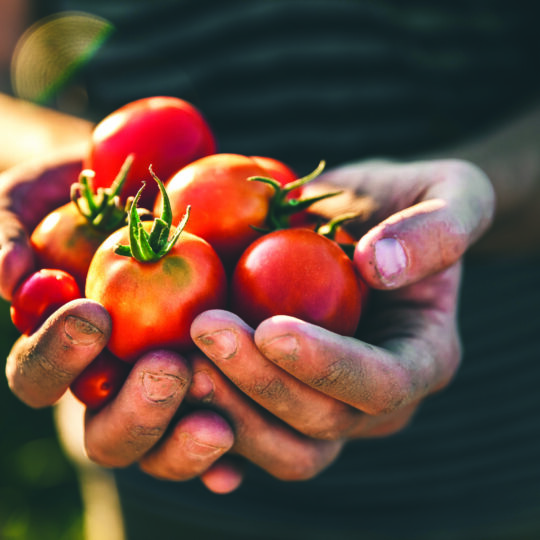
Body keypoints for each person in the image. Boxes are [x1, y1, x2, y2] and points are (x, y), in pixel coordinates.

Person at [1, 1, 540, 539]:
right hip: (158, 477)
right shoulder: (175, 241)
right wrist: (72, 168)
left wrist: (478, 193)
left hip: (494, 459)